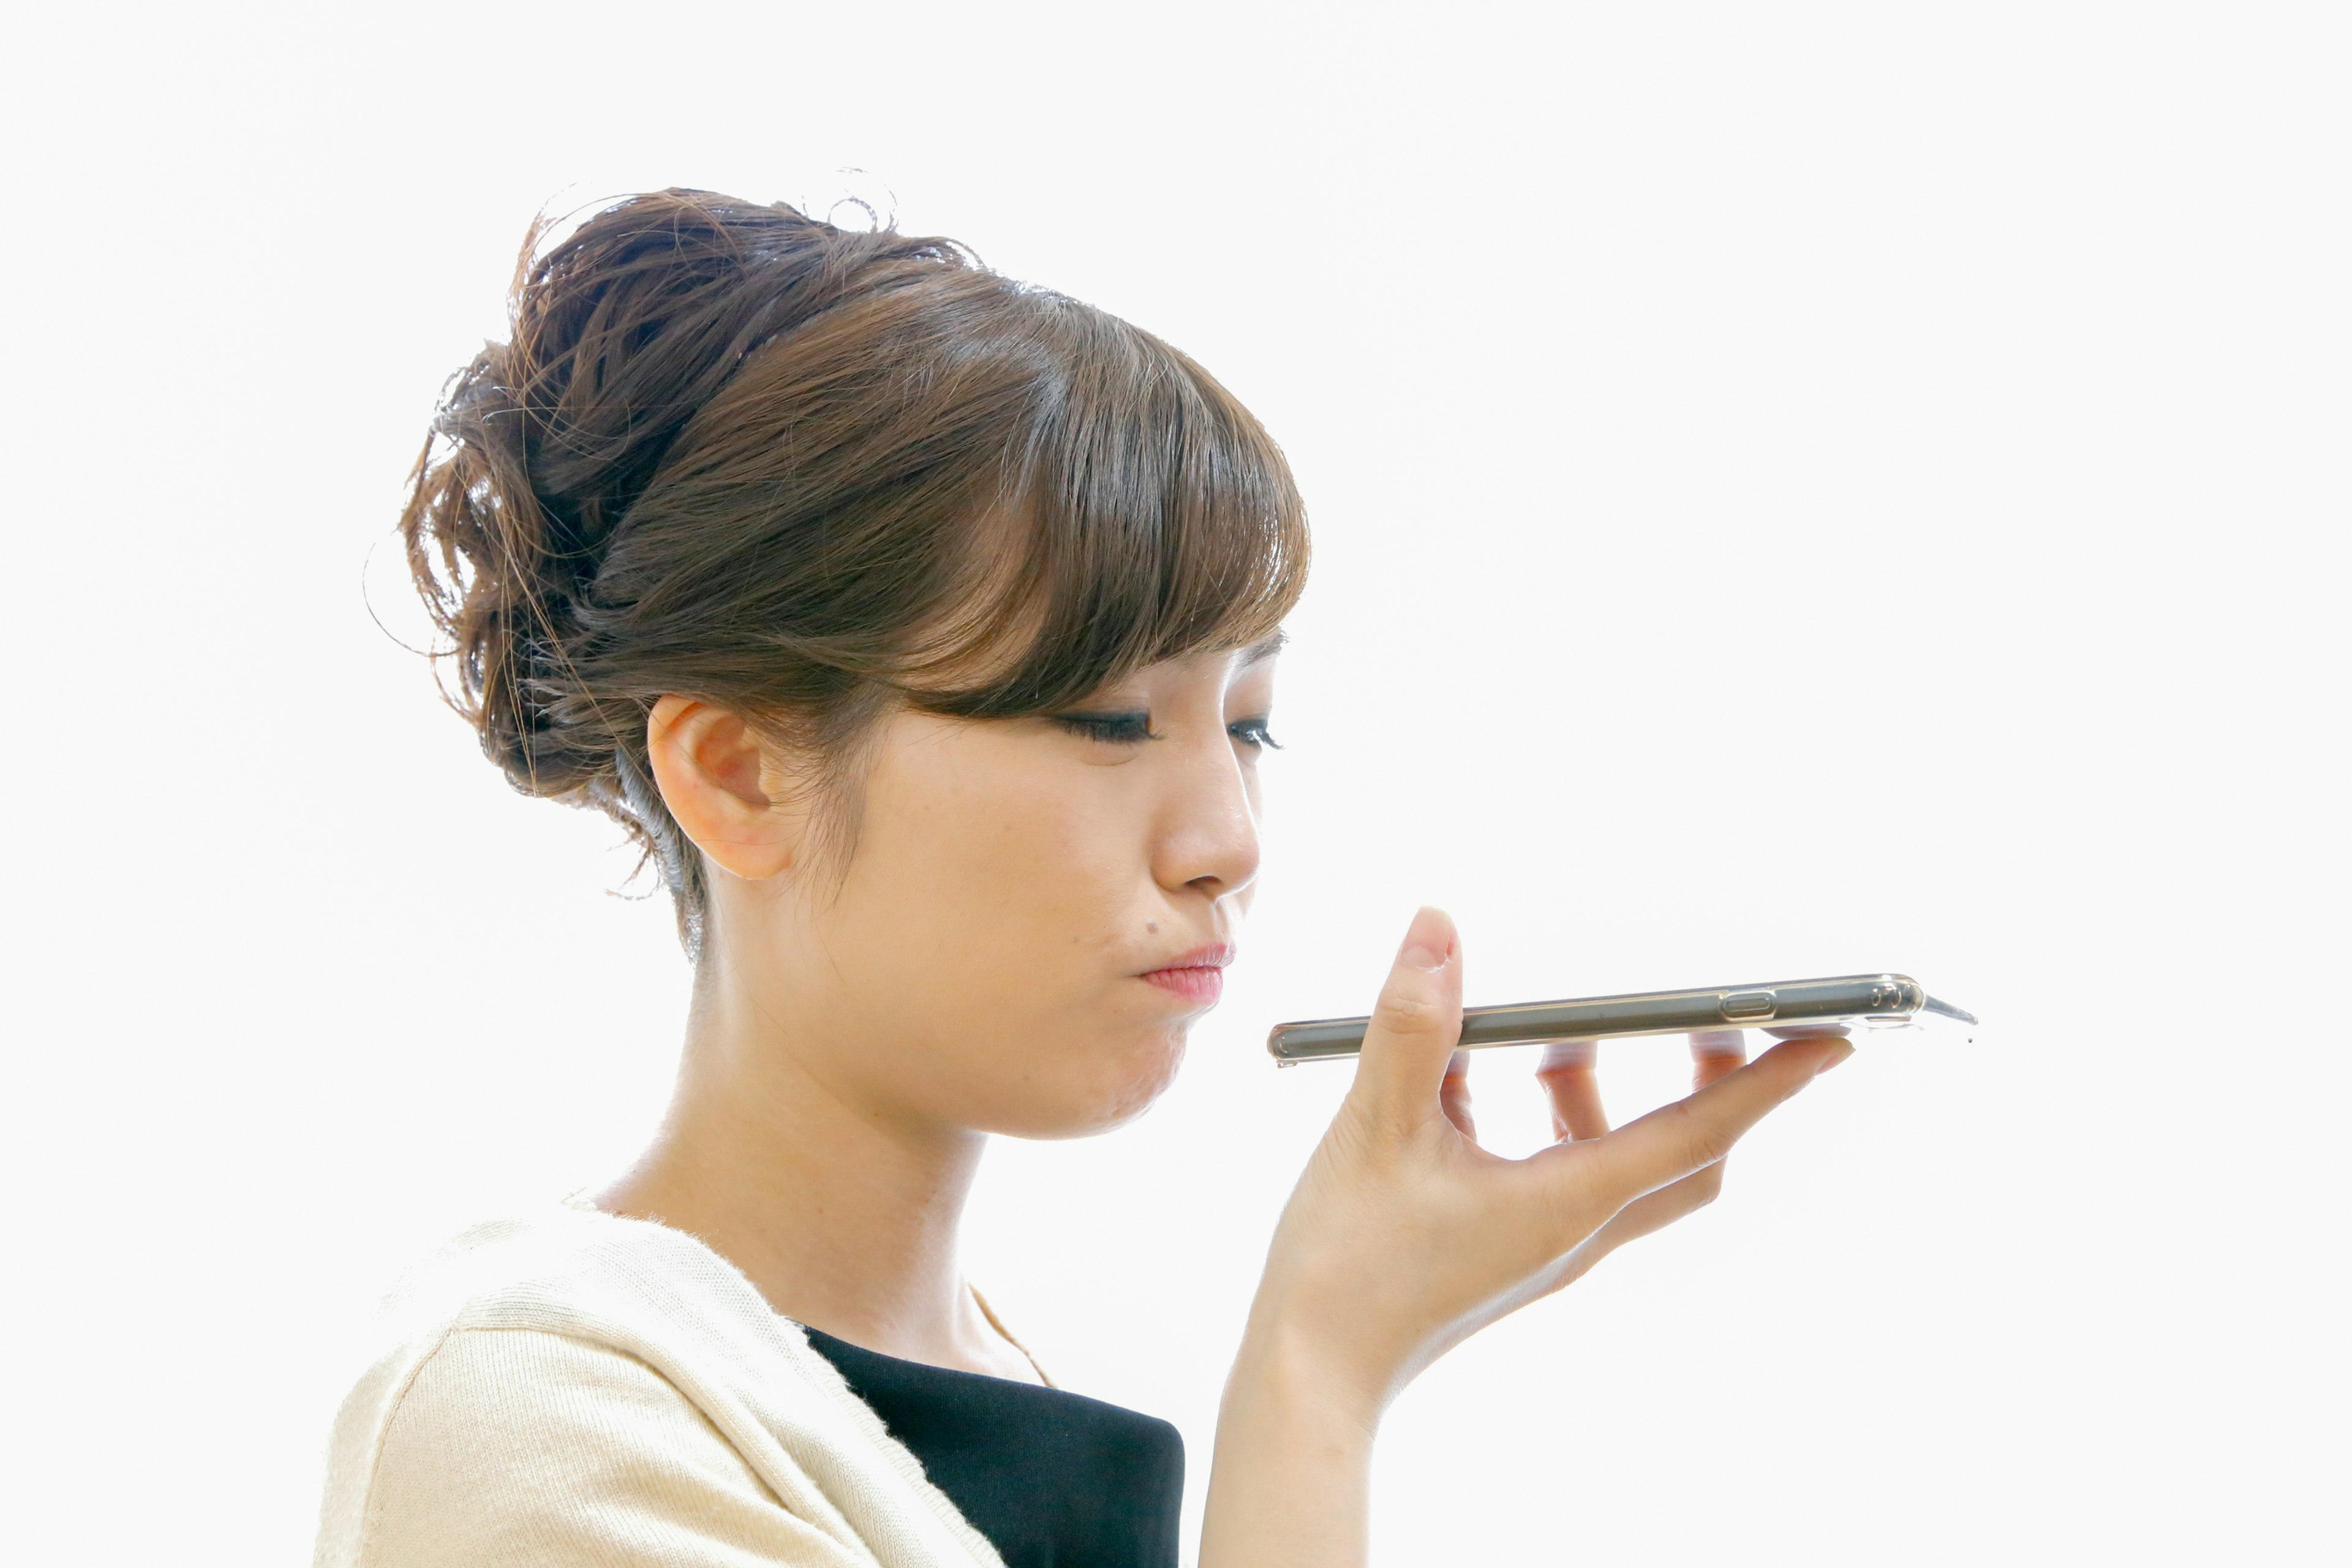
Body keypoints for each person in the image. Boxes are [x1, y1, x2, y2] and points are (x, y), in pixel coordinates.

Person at [314, 187, 1852, 1568]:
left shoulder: (984, 1400)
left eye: (1249, 722)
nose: (1227, 838)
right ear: (738, 770)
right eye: (1108, 716)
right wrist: (1319, 1361)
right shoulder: (532, 1417)